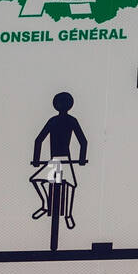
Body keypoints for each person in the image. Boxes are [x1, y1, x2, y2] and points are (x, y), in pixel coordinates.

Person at [30, 92, 88, 228]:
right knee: (37, 180)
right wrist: (36, 159)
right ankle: (45, 204)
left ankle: (68, 214)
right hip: (55, 161)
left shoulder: (71, 121)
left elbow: (83, 141)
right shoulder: (53, 121)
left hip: (64, 160)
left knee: (70, 186)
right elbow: (39, 140)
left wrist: (81, 159)